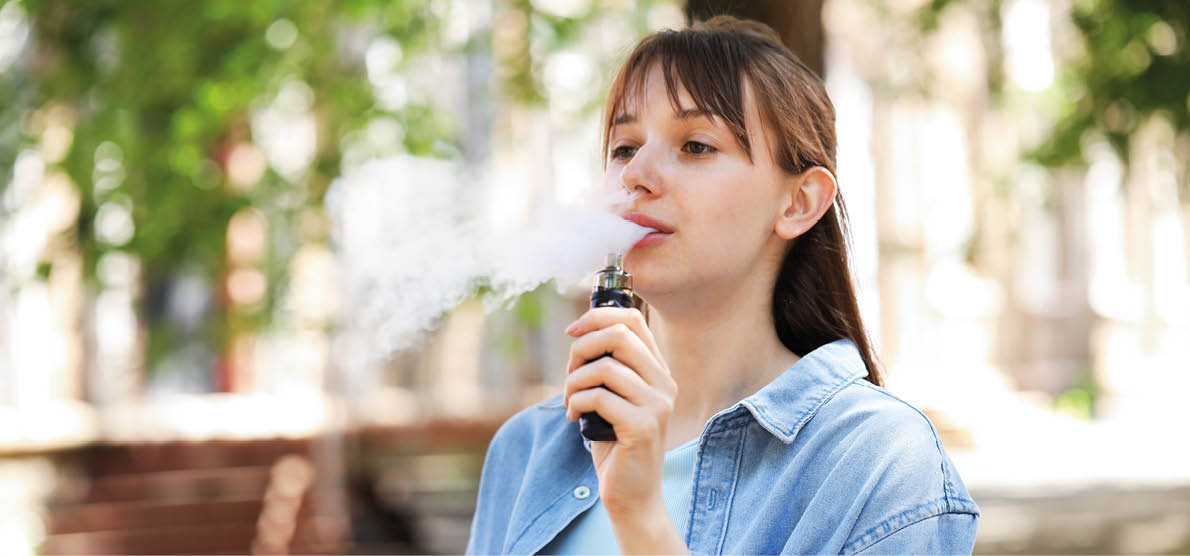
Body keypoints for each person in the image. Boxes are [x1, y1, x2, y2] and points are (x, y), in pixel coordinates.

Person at [465, 15, 979, 556]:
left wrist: (640, 518)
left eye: (696, 146)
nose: (636, 174)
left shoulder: (880, 464)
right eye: (624, 148)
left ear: (799, 202)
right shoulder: (528, 450)